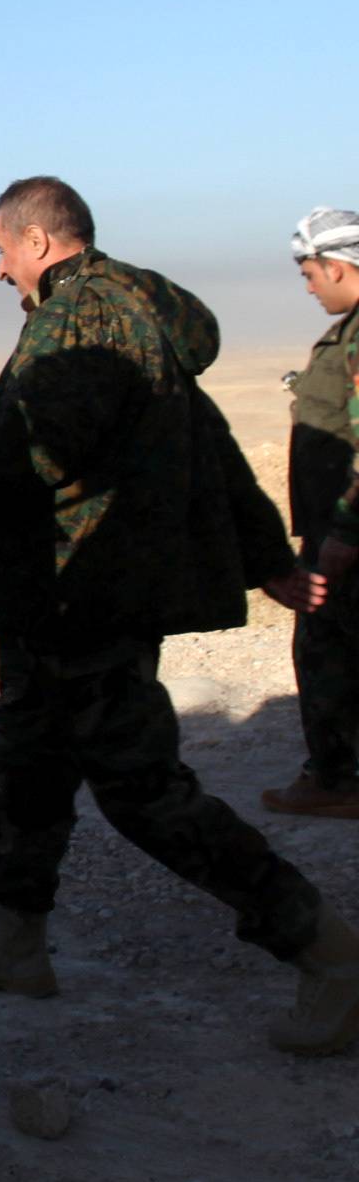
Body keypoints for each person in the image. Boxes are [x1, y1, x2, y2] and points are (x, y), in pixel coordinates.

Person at [0, 176, 359, 1056]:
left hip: (90, 591)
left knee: (143, 792)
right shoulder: (118, 311)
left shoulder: (90, 315)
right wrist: (265, 555)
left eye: (3, 250)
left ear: (39, 241)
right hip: (59, 595)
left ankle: (328, 952)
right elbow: (210, 439)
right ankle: (15, 944)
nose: (1, 272)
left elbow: (35, 443)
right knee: (29, 761)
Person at [262, 208, 359, 819]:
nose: (308, 286)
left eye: (309, 273)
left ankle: (335, 779)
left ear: (339, 266)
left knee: (324, 648)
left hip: (346, 529)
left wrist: (345, 534)